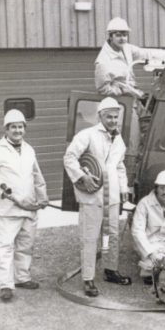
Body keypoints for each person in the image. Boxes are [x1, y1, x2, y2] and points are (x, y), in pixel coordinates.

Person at [63, 97, 131, 297]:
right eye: (108, 116)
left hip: (112, 199)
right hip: (92, 197)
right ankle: (88, 278)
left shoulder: (119, 139)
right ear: (100, 116)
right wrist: (82, 176)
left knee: (111, 236)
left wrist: (124, 187)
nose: (112, 120)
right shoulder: (87, 135)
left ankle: (110, 270)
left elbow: (119, 165)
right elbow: (69, 157)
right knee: (90, 237)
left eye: (115, 117)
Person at [0, 109, 49, 302]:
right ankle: (5, 285)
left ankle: (22, 278)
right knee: (5, 246)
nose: (17, 131)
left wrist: (42, 198)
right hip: (7, 209)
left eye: (20, 127)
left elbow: (37, 176)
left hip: (29, 208)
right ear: (6, 129)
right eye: (13, 127)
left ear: (24, 129)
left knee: (26, 245)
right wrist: (5, 194)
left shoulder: (29, 149)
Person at [94, 17, 162, 197]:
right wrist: (124, 90)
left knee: (150, 132)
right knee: (131, 143)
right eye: (118, 35)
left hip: (136, 99)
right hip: (123, 103)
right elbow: (103, 89)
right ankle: (129, 185)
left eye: (125, 34)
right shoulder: (103, 61)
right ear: (110, 36)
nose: (122, 38)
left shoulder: (128, 50)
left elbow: (145, 54)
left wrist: (163, 56)